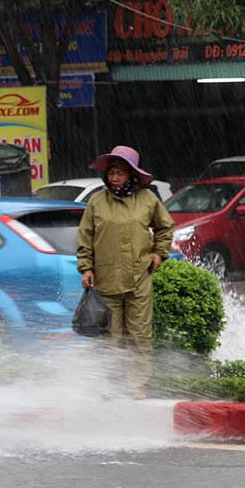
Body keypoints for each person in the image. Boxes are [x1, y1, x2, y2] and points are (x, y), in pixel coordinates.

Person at [76, 145, 174, 398]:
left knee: (139, 334)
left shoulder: (148, 200)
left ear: (131, 174)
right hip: (106, 279)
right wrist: (86, 267)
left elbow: (165, 228)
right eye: (111, 173)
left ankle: (136, 384)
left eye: (119, 172)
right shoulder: (97, 202)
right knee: (110, 336)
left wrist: (158, 254)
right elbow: (85, 237)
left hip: (139, 278)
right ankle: (110, 383)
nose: (114, 177)